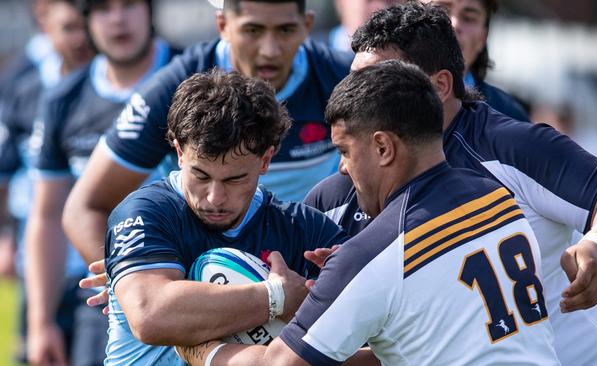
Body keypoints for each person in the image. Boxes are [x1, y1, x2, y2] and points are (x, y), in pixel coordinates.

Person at [303, 3, 597, 365]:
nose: (359, 94)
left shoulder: (510, 145)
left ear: (439, 86)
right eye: (354, 78)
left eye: (377, 80)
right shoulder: (337, 197)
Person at [176, 60, 560, 366]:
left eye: (344, 151)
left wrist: (200, 349)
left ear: (382, 148)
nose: (342, 169)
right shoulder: (497, 197)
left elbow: (281, 365)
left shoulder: (374, 255)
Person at [63, 0, 353, 268]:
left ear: (307, 25)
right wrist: (127, 274)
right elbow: (84, 208)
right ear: (223, 25)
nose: (270, 50)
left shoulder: (341, 79)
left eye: (285, 30)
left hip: (307, 273)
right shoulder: (172, 88)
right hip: (195, 283)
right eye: (252, 30)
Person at [103, 68, 348, 365]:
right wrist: (277, 297)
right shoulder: (145, 213)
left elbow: (375, 334)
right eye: (201, 175)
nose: (214, 197)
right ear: (180, 153)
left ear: (266, 160)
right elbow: (150, 316)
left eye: (234, 179)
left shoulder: (304, 229)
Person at [23, 0, 178, 365]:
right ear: (86, 19)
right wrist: (40, 321)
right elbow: (47, 216)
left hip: (192, 284)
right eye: (103, 8)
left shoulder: (191, 78)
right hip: (101, 296)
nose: (118, 19)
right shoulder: (63, 100)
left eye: (129, 5)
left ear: (150, 11)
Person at [0, 0, 94, 363]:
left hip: (98, 266)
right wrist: (7, 236)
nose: (80, 38)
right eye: (69, 27)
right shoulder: (25, 88)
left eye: (84, 26)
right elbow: (6, 174)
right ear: (45, 24)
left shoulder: (133, 88)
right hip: (41, 258)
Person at [422, 0, 529, 121]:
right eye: (440, 10)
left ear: (483, 38)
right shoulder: (396, 99)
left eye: (468, 18)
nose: (454, 24)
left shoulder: (509, 116)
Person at [327, 0, 402, 53]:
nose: (382, 7)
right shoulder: (318, 59)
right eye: (370, 0)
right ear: (341, 2)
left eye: (390, 0)